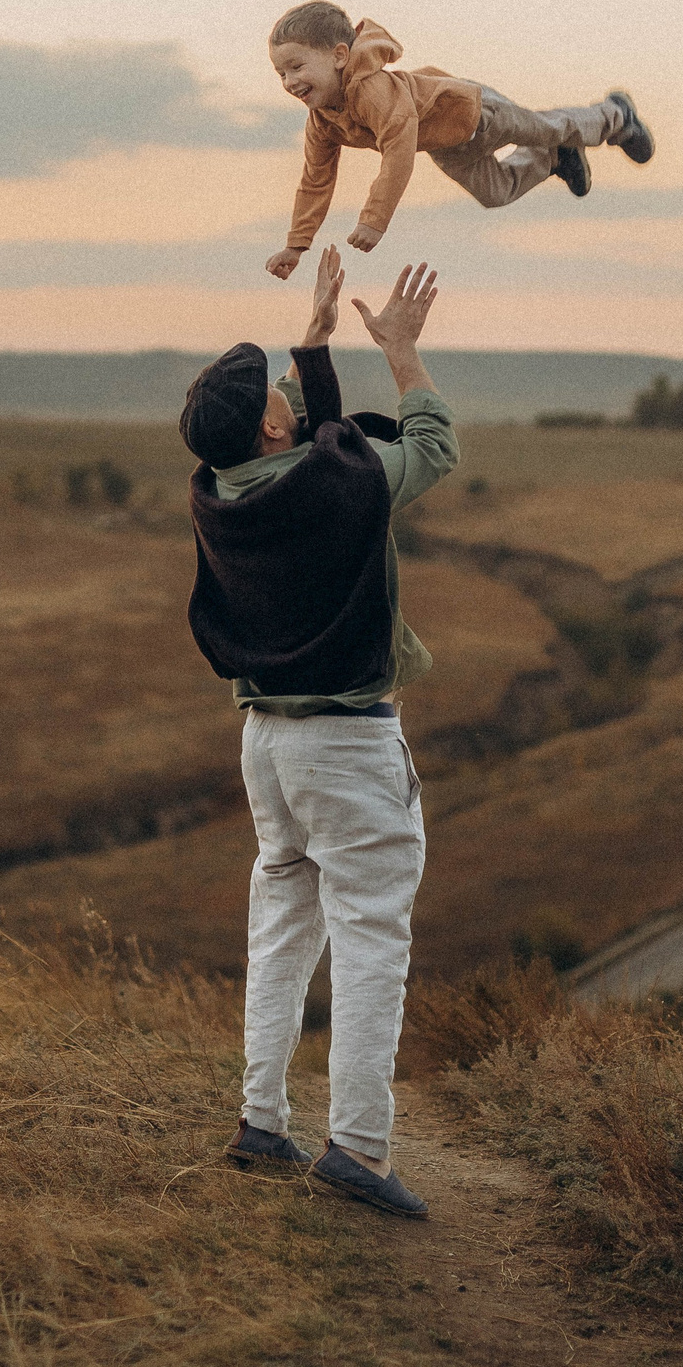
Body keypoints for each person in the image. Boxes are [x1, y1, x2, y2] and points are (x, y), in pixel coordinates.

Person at [181, 246, 459, 1218]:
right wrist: (404, 357)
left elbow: (321, 440)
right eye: (278, 389)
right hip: (344, 746)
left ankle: (262, 1121)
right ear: (268, 421)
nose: (288, 395)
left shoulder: (218, 490)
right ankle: (359, 1148)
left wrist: (314, 339)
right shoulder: (330, 482)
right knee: (371, 936)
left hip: (265, 743)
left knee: (283, 925)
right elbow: (424, 452)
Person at [260, 1, 653, 280]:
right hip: (446, 146)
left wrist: (374, 220)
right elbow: (315, 181)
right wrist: (297, 244)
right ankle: (553, 160)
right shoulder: (322, 121)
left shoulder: (372, 90)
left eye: (296, 66)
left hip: (476, 112)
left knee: (549, 127)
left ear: (340, 55)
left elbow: (397, 152)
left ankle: (616, 116)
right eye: (281, 73)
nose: (289, 81)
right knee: (495, 193)